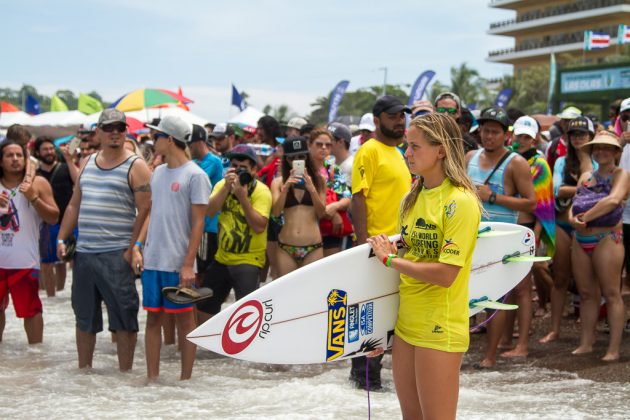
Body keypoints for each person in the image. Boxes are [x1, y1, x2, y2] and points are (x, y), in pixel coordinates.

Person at [367, 113, 481, 419]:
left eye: (415, 146)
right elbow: (407, 263)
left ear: (441, 150)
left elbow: (446, 274)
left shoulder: (461, 202)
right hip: (406, 326)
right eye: (407, 145)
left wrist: (391, 259)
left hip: (440, 326)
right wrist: (379, 330)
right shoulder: (411, 198)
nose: (407, 153)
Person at [56, 109, 152, 371]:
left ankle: (124, 379)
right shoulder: (87, 162)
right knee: (84, 318)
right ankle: (84, 375)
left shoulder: (136, 165)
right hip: (85, 253)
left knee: (124, 319)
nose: (115, 133)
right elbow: (75, 204)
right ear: (97, 131)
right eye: (109, 128)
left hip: (117, 252)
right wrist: (62, 237)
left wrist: (134, 248)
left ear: (125, 132)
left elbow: (147, 211)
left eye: (120, 128)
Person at [133, 116, 211, 381]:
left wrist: (189, 264)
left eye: (156, 136)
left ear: (169, 139)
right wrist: (138, 245)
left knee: (185, 321)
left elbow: (199, 222)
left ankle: (185, 381)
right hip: (153, 259)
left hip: (179, 261)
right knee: (153, 320)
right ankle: (152, 379)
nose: (152, 141)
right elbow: (153, 212)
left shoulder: (196, 175)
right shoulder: (158, 173)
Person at [465, 106, 536, 368]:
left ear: (506, 135)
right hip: (472, 235)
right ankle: (471, 349)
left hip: (503, 238)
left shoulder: (516, 163)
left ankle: (490, 354)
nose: (489, 136)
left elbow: (531, 203)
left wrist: (493, 197)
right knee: (471, 294)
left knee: (495, 298)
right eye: (485, 131)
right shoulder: (470, 156)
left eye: (494, 132)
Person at [350, 95, 412, 390]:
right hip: (376, 246)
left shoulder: (399, 152)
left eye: (402, 115)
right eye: (393, 116)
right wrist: (365, 244)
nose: (400, 121)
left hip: (397, 246)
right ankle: (365, 382)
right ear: (376, 120)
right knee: (371, 317)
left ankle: (369, 380)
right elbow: (358, 198)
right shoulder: (369, 151)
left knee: (386, 315)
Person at [569, 131, 628, 362]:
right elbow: (574, 203)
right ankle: (586, 342)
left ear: (615, 151)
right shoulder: (585, 176)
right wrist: (574, 218)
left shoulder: (621, 174)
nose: (601, 151)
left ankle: (613, 348)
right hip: (581, 238)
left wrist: (585, 218)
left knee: (611, 293)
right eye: (597, 147)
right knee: (585, 293)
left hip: (607, 237)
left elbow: (613, 200)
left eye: (607, 147)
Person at [197, 145, 271, 324]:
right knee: (202, 308)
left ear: (254, 170)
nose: (238, 171)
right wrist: (225, 188)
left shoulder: (262, 191)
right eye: (235, 166)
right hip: (222, 258)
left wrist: (243, 197)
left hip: (249, 260)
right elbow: (209, 211)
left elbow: (259, 226)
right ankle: (212, 349)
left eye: (243, 168)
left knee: (248, 314)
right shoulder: (223, 185)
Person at [500, 116, 555, 358]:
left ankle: (522, 344)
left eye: (526, 137)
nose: (521, 140)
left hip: (529, 230)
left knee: (523, 289)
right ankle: (505, 339)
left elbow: (543, 206)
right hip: (514, 228)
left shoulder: (539, 164)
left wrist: (536, 237)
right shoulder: (512, 159)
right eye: (518, 136)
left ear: (534, 138)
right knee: (511, 288)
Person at [540, 116, 596, 344]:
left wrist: (573, 187)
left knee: (588, 282)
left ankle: (588, 332)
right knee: (560, 278)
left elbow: (596, 189)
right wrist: (583, 188)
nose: (578, 138)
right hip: (563, 223)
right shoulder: (562, 161)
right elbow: (557, 191)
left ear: (591, 136)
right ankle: (554, 329)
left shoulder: (598, 159)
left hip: (589, 225)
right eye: (574, 134)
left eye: (583, 134)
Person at [0, 140, 59, 344]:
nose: (15, 159)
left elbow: (54, 217)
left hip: (24, 261)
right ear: (1, 161)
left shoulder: (38, 183)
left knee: (31, 311)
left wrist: (33, 198)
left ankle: (36, 358)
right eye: (9, 155)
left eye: (19, 155)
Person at [271, 137, 326, 276]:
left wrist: (312, 189)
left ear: (307, 157)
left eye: (301, 157)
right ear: (286, 160)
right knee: (286, 292)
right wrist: (286, 188)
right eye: (292, 158)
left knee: (312, 291)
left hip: (313, 247)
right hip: (286, 247)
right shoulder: (278, 182)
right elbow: (276, 212)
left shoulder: (319, 181)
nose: (297, 161)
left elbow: (321, 213)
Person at [34, 136, 78, 297]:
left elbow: (79, 181)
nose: (49, 152)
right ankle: (51, 298)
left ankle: (60, 295)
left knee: (63, 261)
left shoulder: (65, 168)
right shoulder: (35, 174)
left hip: (66, 221)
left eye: (51, 148)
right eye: (45, 149)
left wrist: (70, 160)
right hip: (44, 224)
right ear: (38, 152)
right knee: (46, 263)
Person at [309, 129, 352, 256]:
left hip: (329, 232)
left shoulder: (332, 169)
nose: (323, 148)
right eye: (319, 144)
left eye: (328, 145)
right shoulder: (305, 170)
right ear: (309, 145)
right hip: (308, 229)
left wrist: (334, 207)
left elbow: (347, 197)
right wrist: (332, 215)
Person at [189, 124, 223, 284]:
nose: (187, 147)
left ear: (198, 142)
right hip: (194, 225)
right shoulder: (193, 162)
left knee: (201, 272)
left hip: (207, 226)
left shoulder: (214, 162)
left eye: (189, 143)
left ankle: (197, 307)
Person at [328, 122, 354, 188]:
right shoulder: (329, 162)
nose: (326, 142)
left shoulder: (353, 166)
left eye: (330, 139)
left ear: (341, 142)